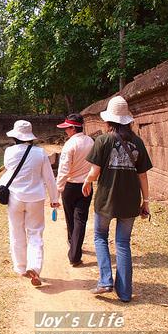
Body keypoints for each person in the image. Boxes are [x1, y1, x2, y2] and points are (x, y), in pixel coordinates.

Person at [82, 96, 153, 302]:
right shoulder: (137, 142)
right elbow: (143, 175)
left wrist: (87, 182)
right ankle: (124, 292)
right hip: (130, 201)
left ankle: (105, 281)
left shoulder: (103, 141)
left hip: (106, 199)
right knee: (123, 243)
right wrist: (146, 202)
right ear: (128, 120)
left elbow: (95, 171)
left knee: (100, 237)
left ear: (109, 121)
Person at [0, 120, 60, 287]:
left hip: (15, 198)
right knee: (35, 233)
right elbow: (49, 178)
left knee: (16, 232)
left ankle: (21, 267)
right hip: (35, 198)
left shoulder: (9, 152)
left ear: (15, 136)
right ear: (30, 137)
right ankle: (35, 268)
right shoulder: (40, 153)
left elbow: (8, 170)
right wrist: (54, 199)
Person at [56, 114, 94, 267]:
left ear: (73, 128)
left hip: (70, 187)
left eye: (67, 128)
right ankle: (75, 254)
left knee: (71, 219)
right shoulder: (91, 142)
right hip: (87, 185)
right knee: (80, 220)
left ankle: (73, 247)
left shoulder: (70, 145)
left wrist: (58, 189)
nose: (66, 131)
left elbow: (63, 169)